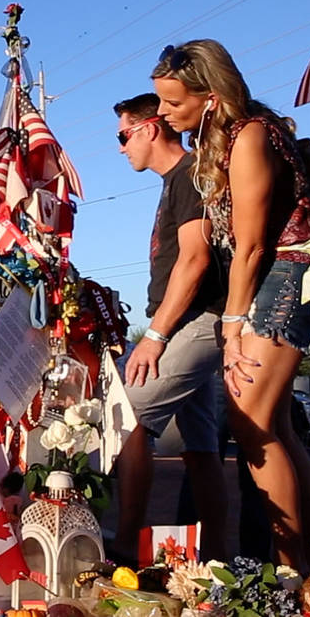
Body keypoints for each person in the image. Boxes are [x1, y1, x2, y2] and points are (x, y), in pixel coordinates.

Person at [152, 40, 310, 572]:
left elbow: (249, 246)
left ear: (210, 97)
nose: (162, 113)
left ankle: (290, 573)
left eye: (173, 102)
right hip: (278, 275)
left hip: (288, 273)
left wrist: (232, 328)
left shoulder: (250, 136)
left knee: (249, 422)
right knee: (274, 425)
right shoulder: (231, 138)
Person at [111, 93, 228, 562]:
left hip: (195, 321)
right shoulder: (177, 179)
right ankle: (215, 554)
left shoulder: (189, 174)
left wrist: (155, 336)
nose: (121, 148)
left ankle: (126, 545)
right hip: (185, 320)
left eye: (124, 136)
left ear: (148, 128)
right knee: (200, 446)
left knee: (129, 418)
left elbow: (195, 260)